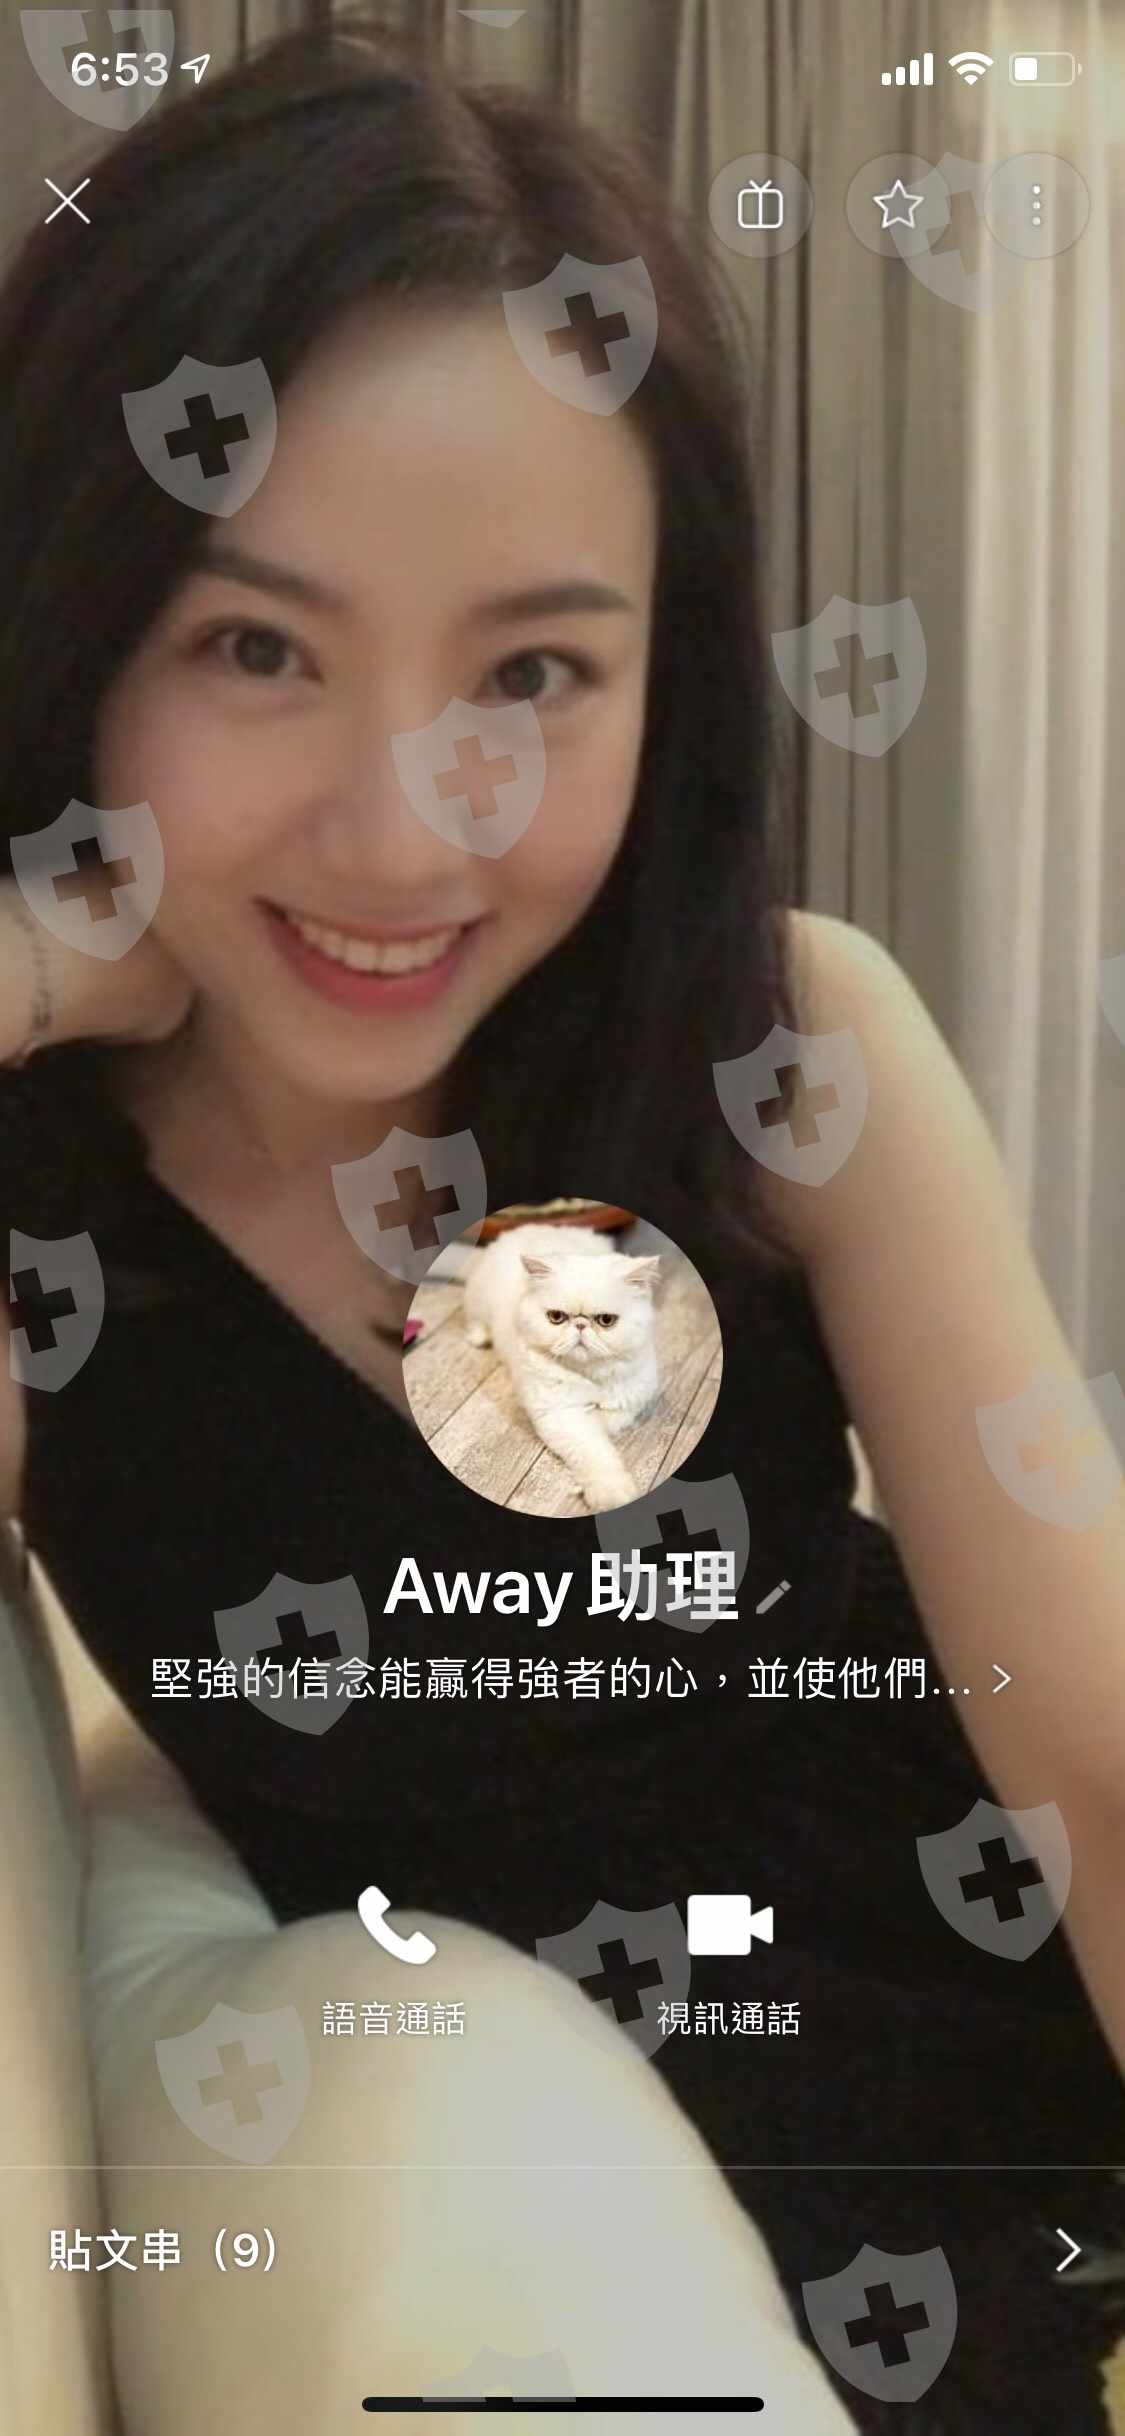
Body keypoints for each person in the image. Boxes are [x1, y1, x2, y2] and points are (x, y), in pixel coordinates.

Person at [1, 16, 1124, 2432]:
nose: (405, 834)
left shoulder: (789, 1057)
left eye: (529, 671)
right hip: (547, 2231)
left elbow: (1098, 1775)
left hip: (1003, 2139)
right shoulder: (42, 1212)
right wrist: (36, 964)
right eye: (255, 648)